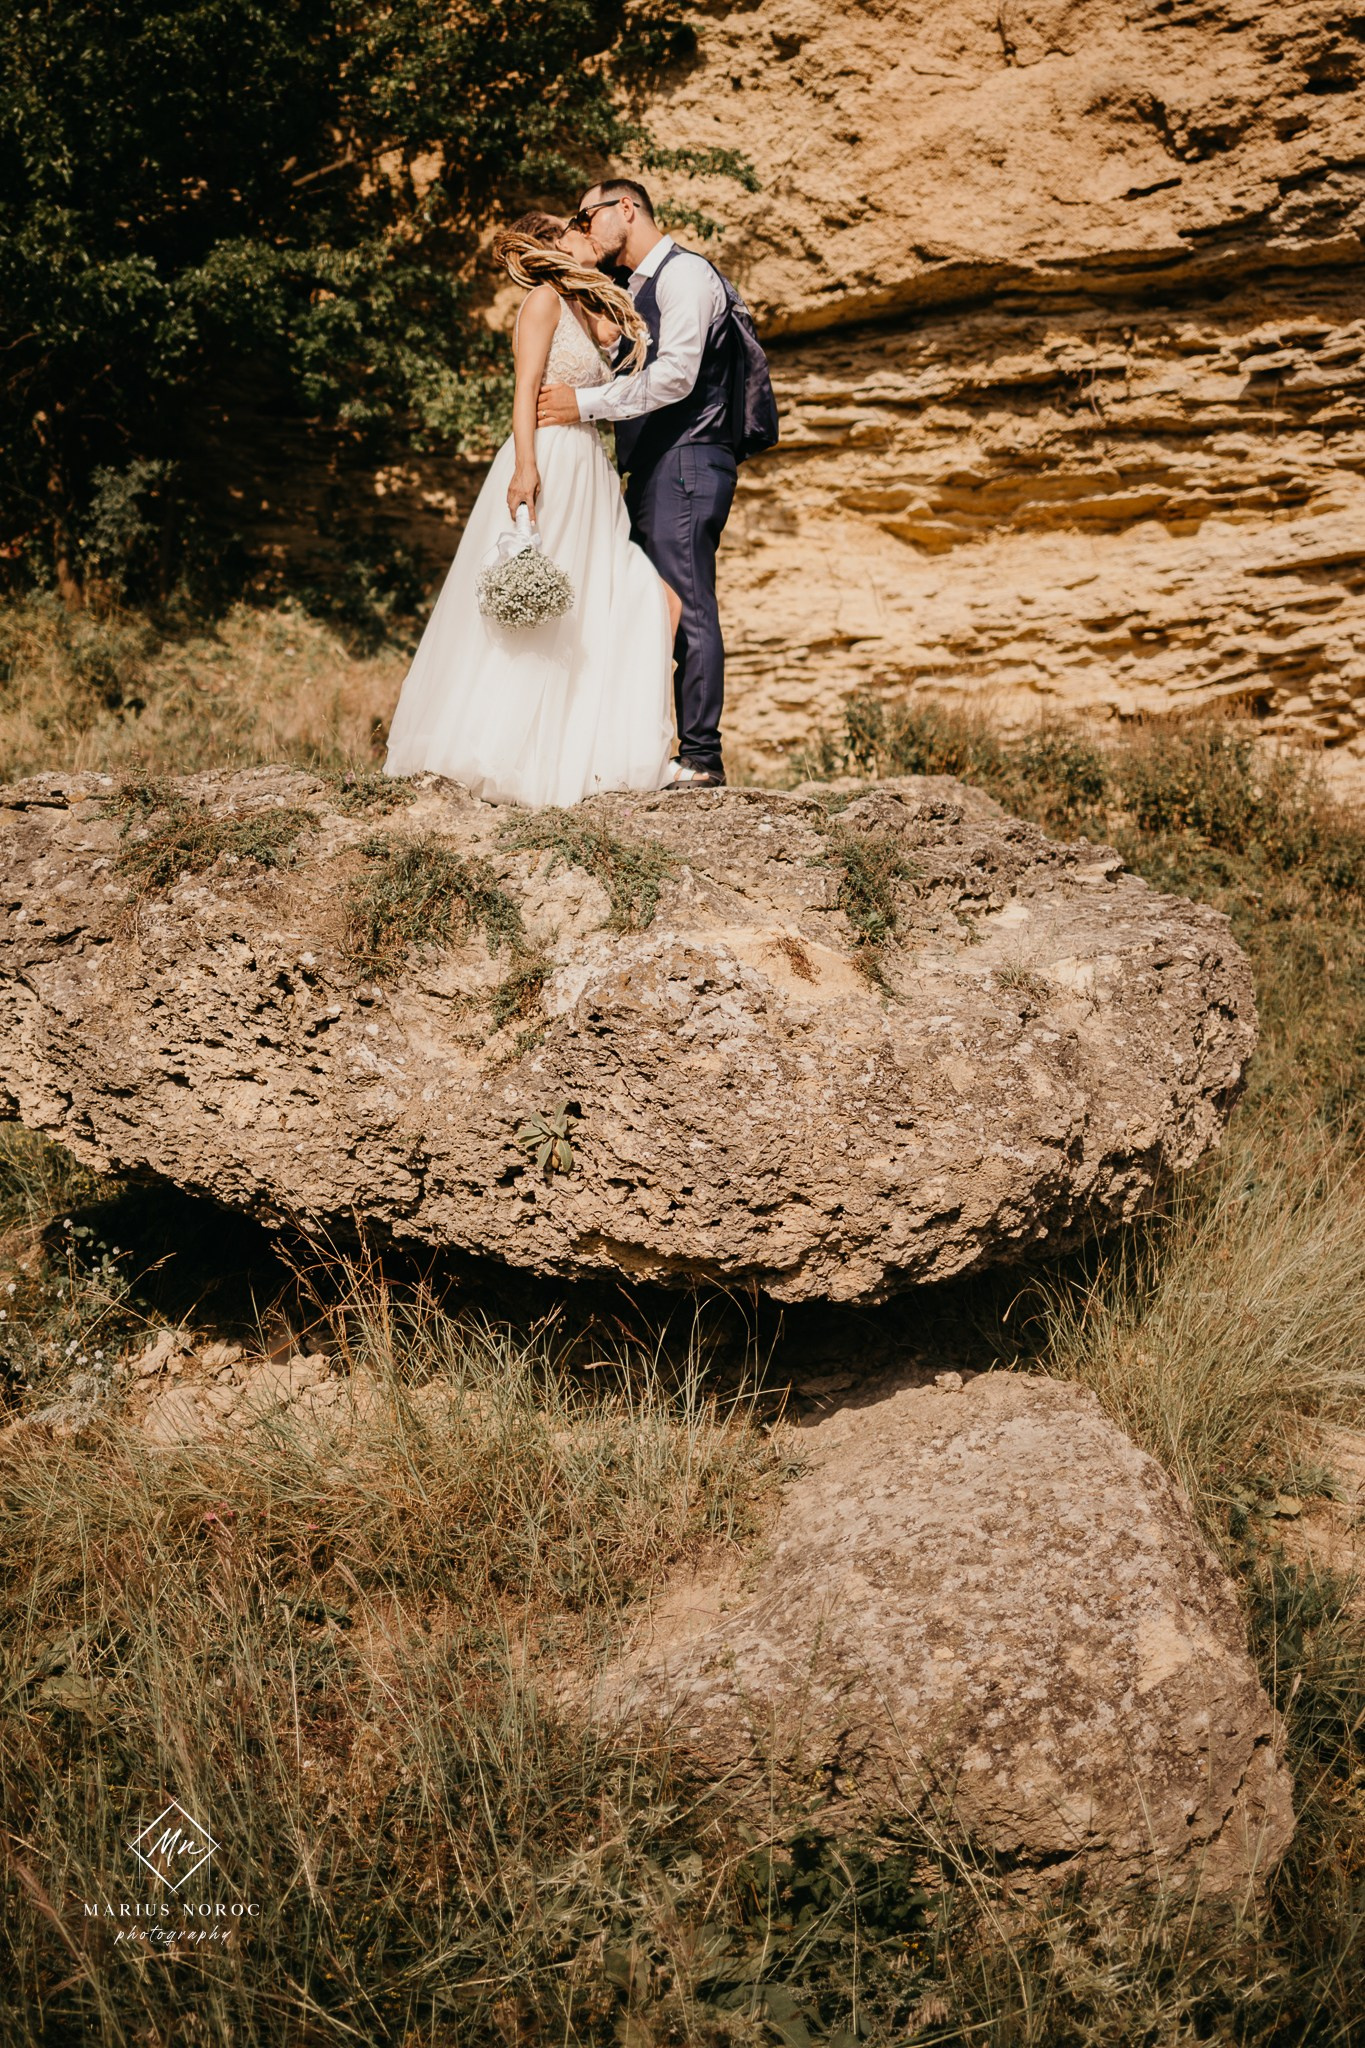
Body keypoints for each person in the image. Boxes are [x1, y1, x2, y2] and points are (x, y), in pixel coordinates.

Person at [383, 213, 678, 807]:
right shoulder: (542, 301)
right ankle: (508, 752)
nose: (585, 229)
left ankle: (585, 753)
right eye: (572, 225)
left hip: (591, 470)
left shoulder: (588, 309)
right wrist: (524, 468)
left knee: (608, 604)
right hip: (550, 463)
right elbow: (524, 391)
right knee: (540, 612)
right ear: (552, 244)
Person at [538, 179, 743, 790]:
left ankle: (702, 758)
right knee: (651, 602)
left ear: (625, 209)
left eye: (587, 215)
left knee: (686, 596)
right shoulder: (634, 291)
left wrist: (585, 404)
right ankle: (648, 747)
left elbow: (678, 377)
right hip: (656, 463)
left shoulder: (684, 277)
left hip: (689, 455)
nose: (582, 226)